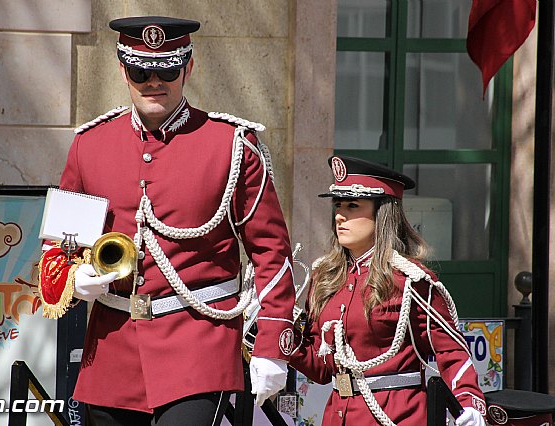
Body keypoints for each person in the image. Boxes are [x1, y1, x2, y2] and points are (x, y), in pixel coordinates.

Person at [37, 16, 296, 426]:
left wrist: (271, 347)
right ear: (123, 70)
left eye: (167, 70)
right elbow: (57, 247)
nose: (153, 82)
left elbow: (271, 252)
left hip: (198, 347)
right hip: (111, 351)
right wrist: (74, 277)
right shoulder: (90, 144)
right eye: (140, 72)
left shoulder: (232, 145)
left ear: (188, 68)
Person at [290, 155, 487, 425]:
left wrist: (469, 401)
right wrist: (282, 338)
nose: (339, 215)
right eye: (338, 205)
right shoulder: (325, 276)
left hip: (396, 416)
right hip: (337, 415)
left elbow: (450, 350)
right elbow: (322, 369)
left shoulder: (409, 280)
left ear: (382, 213)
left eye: (352, 205)